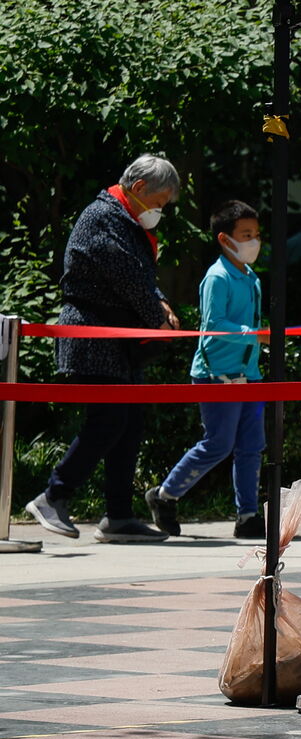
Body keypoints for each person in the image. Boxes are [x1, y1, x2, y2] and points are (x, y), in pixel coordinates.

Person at [25, 155, 181, 543]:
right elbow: (125, 275)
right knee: (109, 420)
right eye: (159, 202)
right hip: (93, 335)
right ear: (139, 188)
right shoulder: (103, 216)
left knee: (129, 424)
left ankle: (119, 516)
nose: (159, 211)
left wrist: (161, 304)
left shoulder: (124, 219)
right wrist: (157, 316)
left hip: (119, 340)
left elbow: (141, 275)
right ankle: (53, 496)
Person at [145, 201, 266, 540]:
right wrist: (253, 334)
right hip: (217, 373)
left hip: (249, 373)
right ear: (225, 239)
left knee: (252, 445)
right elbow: (214, 325)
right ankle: (165, 495)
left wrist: (255, 340)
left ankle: (248, 515)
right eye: (246, 235)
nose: (254, 241)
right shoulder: (217, 277)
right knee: (218, 443)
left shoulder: (251, 278)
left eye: (256, 234)